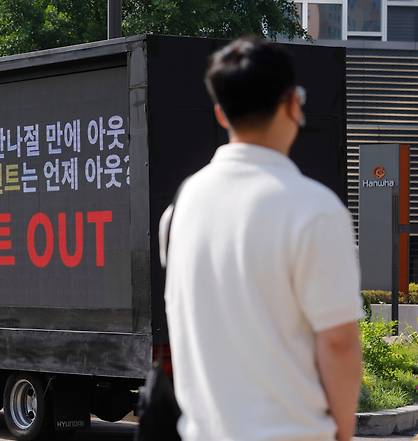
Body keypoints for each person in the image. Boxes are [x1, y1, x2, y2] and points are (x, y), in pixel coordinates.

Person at [160, 37, 363, 441]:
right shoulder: (315, 210)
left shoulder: (181, 208)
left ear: (221, 114)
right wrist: (341, 433)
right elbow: (339, 341)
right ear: (292, 104)